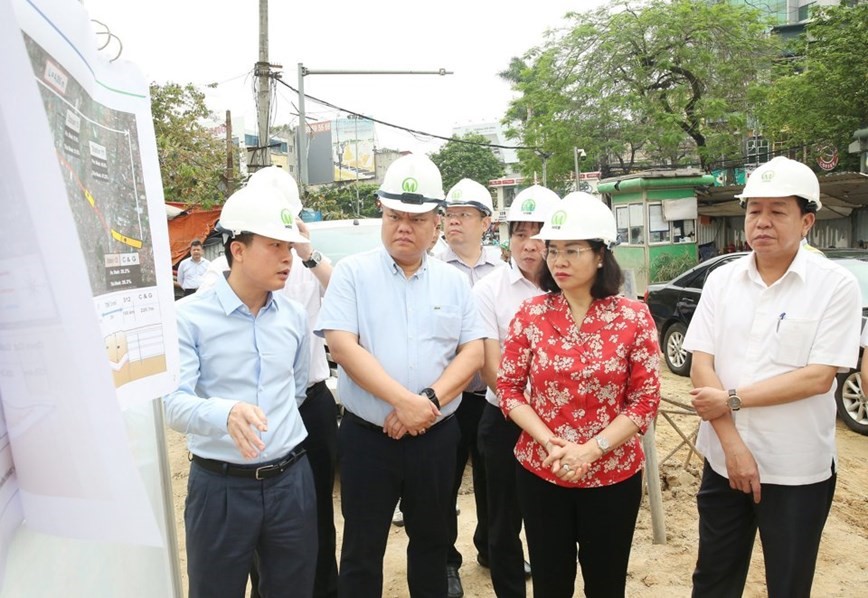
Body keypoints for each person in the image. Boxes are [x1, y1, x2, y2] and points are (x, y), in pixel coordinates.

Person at [684, 156, 862, 598]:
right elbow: (701, 366)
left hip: (796, 469)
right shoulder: (722, 281)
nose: (761, 222)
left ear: (806, 221)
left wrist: (732, 399)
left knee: (788, 583)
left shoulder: (835, 285)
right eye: (753, 210)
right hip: (724, 462)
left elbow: (818, 378)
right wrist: (732, 445)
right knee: (713, 580)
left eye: (777, 211)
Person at [316, 153, 485, 598]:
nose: (403, 227)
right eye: (394, 216)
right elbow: (343, 346)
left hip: (434, 438)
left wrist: (426, 402)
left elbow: (471, 352)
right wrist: (405, 403)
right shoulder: (353, 274)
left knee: (431, 545)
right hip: (368, 439)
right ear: (381, 214)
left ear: (437, 223)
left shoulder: (452, 282)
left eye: (416, 218)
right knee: (361, 550)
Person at [497, 191, 661, 598]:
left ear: (601, 255)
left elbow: (644, 401)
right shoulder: (531, 314)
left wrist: (590, 451)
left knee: (606, 584)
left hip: (612, 475)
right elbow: (509, 389)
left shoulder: (633, 317)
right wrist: (548, 441)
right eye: (553, 250)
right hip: (542, 469)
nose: (559, 261)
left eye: (572, 250)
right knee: (551, 583)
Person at [164, 185, 318, 598]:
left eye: (290, 246)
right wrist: (225, 414)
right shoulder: (188, 318)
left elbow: (297, 388)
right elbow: (173, 404)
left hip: (291, 483)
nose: (288, 258)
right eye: (275, 246)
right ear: (238, 250)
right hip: (221, 488)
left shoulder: (293, 316)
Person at [246, 166, 338, 598]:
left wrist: (307, 251)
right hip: (256, 407)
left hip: (311, 403)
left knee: (317, 508)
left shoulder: (307, 262)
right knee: (258, 513)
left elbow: (343, 296)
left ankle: (324, 589)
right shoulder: (235, 265)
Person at [473, 184, 560, 598]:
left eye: (539, 233)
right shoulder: (489, 290)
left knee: (551, 521)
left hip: (563, 428)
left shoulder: (570, 288)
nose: (529, 245)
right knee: (503, 520)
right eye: (520, 233)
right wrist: (525, 412)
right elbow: (491, 366)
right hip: (506, 420)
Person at [434, 177, 503, 598]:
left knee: (495, 483)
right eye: (450, 214)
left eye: (464, 214)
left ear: (485, 222)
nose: (454, 221)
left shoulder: (503, 272)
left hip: (491, 397)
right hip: (447, 398)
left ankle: (494, 549)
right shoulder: (431, 269)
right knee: (442, 484)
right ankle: (445, 561)